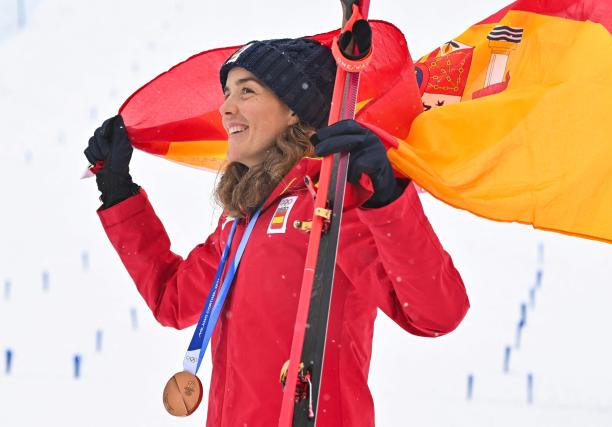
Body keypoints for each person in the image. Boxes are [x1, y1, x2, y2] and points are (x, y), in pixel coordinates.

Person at [85, 38, 469, 426]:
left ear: (292, 110)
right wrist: (119, 192)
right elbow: (174, 300)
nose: (225, 108)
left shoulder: (333, 200)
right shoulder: (241, 221)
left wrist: (385, 197)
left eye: (246, 91)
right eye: (227, 93)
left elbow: (437, 314)